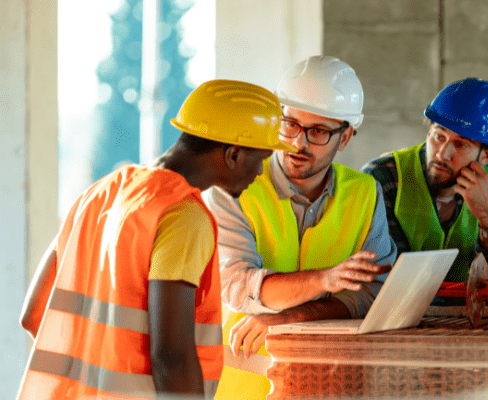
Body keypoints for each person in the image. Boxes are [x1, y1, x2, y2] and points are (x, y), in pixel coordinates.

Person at [16, 79, 296, 400]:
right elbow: (172, 360)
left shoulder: (99, 194)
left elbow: (34, 315)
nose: (261, 172)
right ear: (233, 155)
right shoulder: (182, 215)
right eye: (261, 158)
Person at [205, 56, 396, 400]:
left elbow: (371, 294)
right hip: (243, 385)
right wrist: (325, 281)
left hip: (328, 385)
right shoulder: (234, 186)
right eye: (289, 124)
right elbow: (237, 285)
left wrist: (290, 317)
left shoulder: (365, 193)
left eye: (318, 131)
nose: (298, 143)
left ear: (347, 136)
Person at [362, 77, 488, 291]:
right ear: (429, 130)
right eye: (439, 136)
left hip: (473, 321)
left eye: (460, 144)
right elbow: (386, 279)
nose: (442, 154)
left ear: (487, 154)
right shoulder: (383, 179)